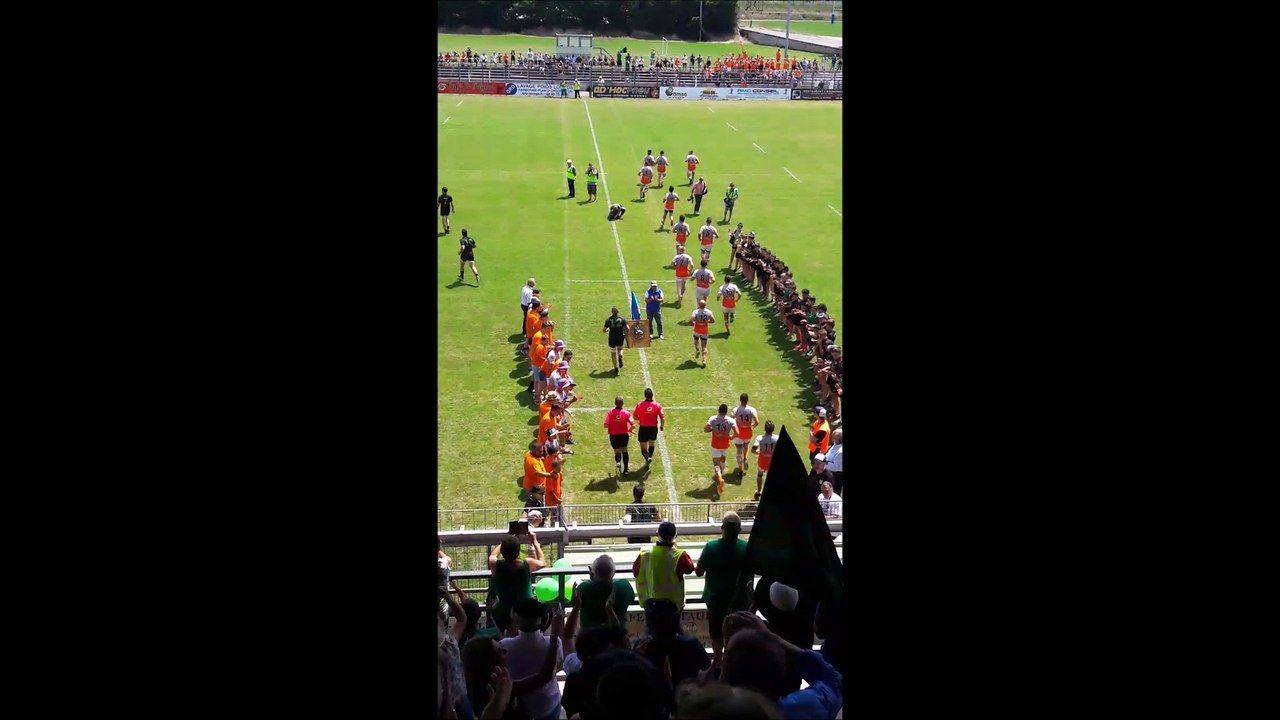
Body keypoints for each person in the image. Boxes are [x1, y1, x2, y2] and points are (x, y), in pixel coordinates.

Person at [721, 628, 843, 720]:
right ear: (783, 670)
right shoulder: (807, 706)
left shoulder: (713, 712)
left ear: (727, 675)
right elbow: (834, 681)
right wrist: (774, 638)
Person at [694, 511, 752, 668]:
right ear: (739, 530)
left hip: (715, 600)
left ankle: (718, 663)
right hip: (739, 602)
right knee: (735, 634)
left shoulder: (711, 547)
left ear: (722, 528)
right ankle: (731, 664)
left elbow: (699, 572)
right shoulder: (746, 548)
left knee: (716, 633)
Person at [633, 598, 711, 708]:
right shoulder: (692, 644)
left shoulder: (641, 649)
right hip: (686, 704)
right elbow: (707, 669)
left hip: (652, 707)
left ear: (649, 623)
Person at [500, 598, 565, 720]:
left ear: (516, 619)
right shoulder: (553, 643)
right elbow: (558, 667)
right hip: (548, 704)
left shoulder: (504, 645)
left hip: (519, 706)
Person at [487, 535, 545, 633]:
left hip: (504, 611)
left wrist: (507, 541)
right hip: (525, 612)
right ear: (518, 551)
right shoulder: (527, 563)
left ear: (503, 551)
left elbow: (493, 555)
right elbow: (542, 563)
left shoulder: (496, 564)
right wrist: (535, 542)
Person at [633, 521, 695, 610]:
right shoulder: (680, 555)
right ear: (675, 536)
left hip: (651, 605)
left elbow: (635, 572)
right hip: (673, 607)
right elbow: (690, 569)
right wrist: (674, 549)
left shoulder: (644, 554)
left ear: (657, 534)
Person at [575, 554, 636, 631]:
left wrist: (593, 581)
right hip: (615, 637)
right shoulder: (624, 587)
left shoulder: (583, 588)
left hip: (589, 637)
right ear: (613, 572)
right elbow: (631, 598)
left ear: (592, 572)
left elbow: (574, 603)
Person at [704, 404, 736, 496]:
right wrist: (731, 437)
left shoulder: (713, 418)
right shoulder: (731, 420)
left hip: (716, 445)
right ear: (726, 411)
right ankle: (721, 473)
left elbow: (706, 429)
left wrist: (711, 430)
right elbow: (737, 433)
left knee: (716, 464)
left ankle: (720, 479)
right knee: (722, 459)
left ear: (719, 410)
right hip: (725, 444)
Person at [603, 395, 635, 476]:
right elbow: (633, 425)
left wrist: (613, 425)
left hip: (614, 436)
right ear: (623, 403)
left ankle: (618, 462)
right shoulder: (627, 413)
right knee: (624, 451)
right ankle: (626, 469)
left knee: (617, 451)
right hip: (624, 435)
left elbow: (605, 425)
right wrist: (630, 429)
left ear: (615, 403)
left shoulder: (610, 413)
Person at [633, 387, 665, 467]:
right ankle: (649, 457)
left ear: (645, 395)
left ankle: (647, 458)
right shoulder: (658, 405)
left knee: (643, 448)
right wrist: (661, 426)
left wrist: (641, 418)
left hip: (643, 428)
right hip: (653, 429)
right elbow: (662, 418)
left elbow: (635, 416)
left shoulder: (639, 405)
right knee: (651, 444)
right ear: (652, 395)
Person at [731, 393, 758, 476]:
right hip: (748, 433)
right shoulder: (752, 410)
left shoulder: (735, 410)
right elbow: (757, 422)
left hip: (738, 434)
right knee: (746, 445)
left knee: (739, 451)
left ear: (740, 400)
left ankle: (740, 469)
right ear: (747, 400)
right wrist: (752, 427)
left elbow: (731, 420)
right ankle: (745, 458)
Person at [749, 420, 778, 501]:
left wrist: (757, 452)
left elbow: (753, 449)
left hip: (762, 460)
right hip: (772, 461)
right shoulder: (777, 438)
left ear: (765, 429)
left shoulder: (760, 438)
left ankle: (758, 491)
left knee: (759, 475)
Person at [691, 298, 715, 367]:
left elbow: (692, 319)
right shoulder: (709, 312)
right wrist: (706, 321)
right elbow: (713, 321)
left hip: (697, 330)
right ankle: (704, 360)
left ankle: (697, 349)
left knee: (695, 341)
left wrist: (694, 322)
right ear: (705, 305)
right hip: (704, 331)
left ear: (699, 305)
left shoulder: (696, 311)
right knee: (704, 346)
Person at [602, 307, 627, 372]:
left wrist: (607, 330)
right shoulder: (622, 319)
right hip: (620, 337)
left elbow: (604, 330)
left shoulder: (608, 320)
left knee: (613, 353)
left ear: (612, 312)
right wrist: (625, 334)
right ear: (618, 312)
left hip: (612, 338)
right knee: (620, 349)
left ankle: (615, 368)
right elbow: (627, 328)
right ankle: (620, 355)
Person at [825, 429, 844, 495]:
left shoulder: (841, 452)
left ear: (839, 437)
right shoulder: (835, 444)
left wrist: (825, 463)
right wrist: (825, 458)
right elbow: (828, 453)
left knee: (834, 494)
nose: (832, 436)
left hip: (836, 477)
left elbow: (837, 467)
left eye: (834, 434)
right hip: (829, 473)